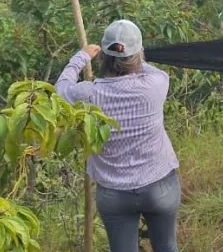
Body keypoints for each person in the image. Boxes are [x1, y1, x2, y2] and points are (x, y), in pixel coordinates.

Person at [54, 19, 180, 252]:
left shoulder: (89, 94)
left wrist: (80, 57)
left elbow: (59, 92)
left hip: (114, 193)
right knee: (166, 247)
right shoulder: (156, 84)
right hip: (159, 186)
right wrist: (134, 54)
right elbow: (148, 68)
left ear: (103, 56)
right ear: (138, 55)